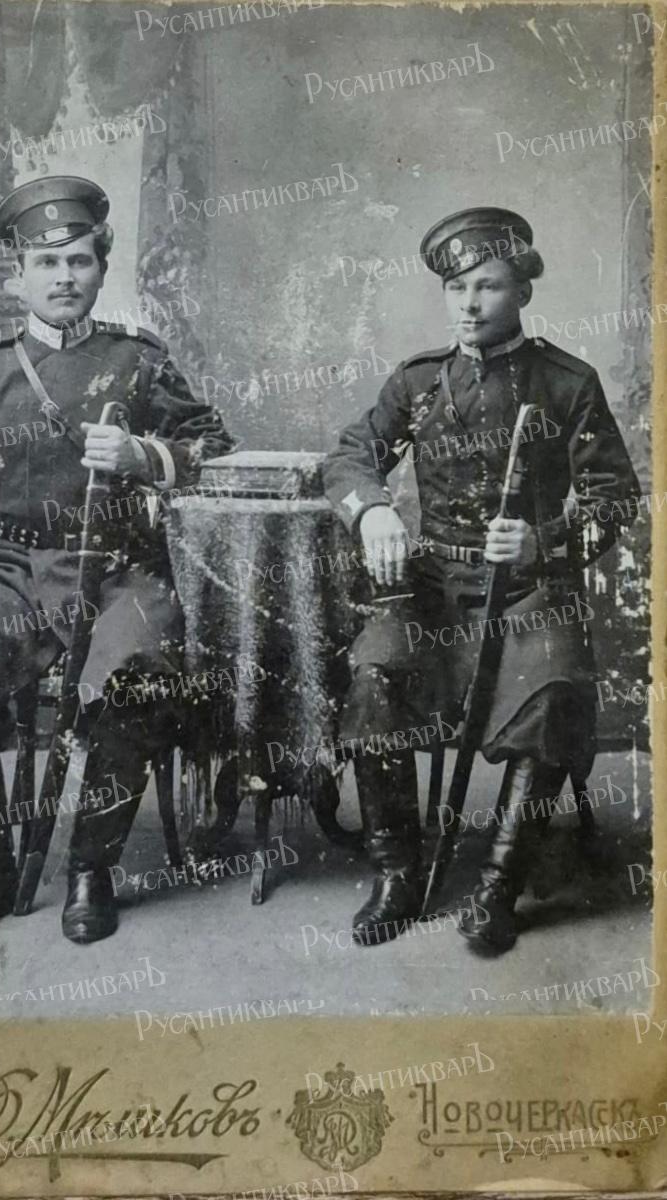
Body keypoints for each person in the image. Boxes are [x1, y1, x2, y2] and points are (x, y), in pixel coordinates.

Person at [0, 175, 233, 945]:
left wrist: (145, 455)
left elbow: (213, 445)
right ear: (17, 277)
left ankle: (92, 867)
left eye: (78, 261)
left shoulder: (138, 359)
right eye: (46, 264)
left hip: (118, 569)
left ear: (99, 268)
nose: (63, 278)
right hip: (9, 571)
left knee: (138, 673)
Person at [323, 206, 641, 953]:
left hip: (529, 588)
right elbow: (349, 456)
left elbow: (613, 499)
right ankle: (397, 873)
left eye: (487, 286)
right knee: (374, 673)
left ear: (521, 291)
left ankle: (499, 884)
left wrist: (542, 541)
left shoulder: (565, 382)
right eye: (456, 287)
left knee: (553, 688)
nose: (468, 304)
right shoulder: (419, 382)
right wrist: (372, 511)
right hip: (432, 585)